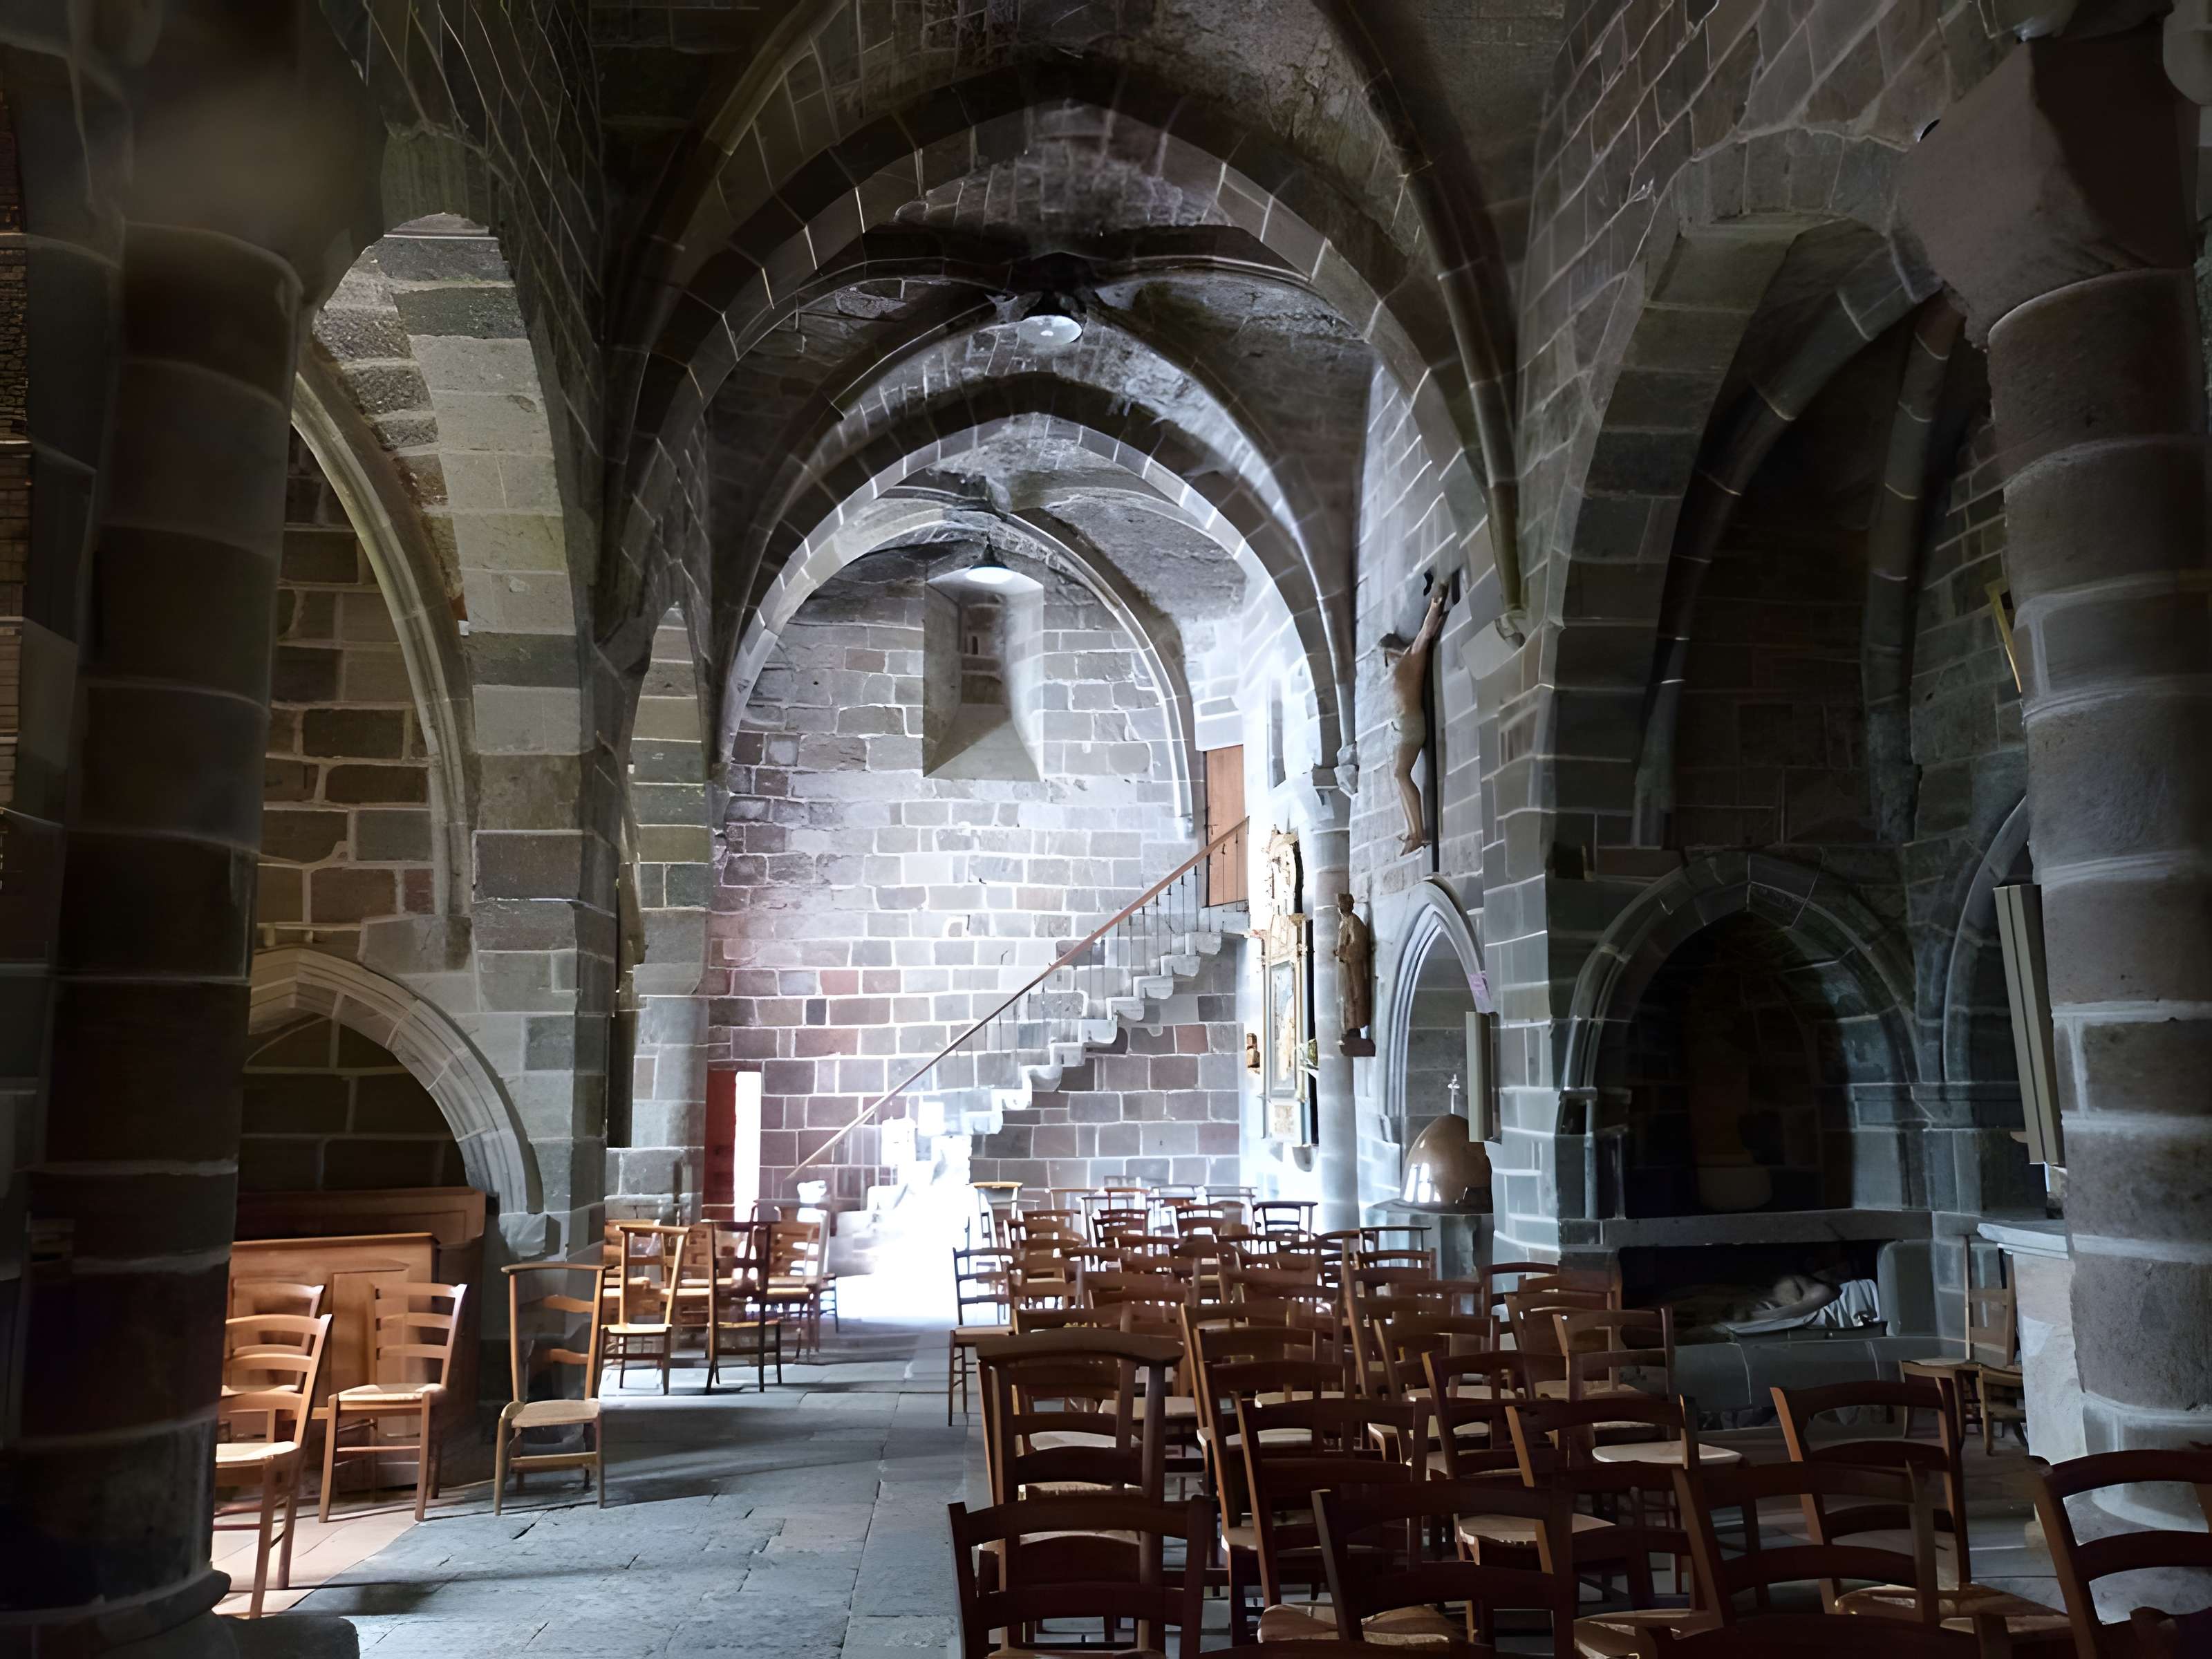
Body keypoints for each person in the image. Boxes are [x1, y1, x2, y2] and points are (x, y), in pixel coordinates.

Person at [1386, 585, 1448, 854]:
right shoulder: (1402, 666)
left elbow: (1426, 633)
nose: (1387, 658)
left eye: (1387, 651)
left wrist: (1435, 605)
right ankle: (1413, 831)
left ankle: (1418, 832)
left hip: (1411, 724)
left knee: (1401, 774)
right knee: (1398, 774)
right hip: (1404, 725)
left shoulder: (1412, 656)